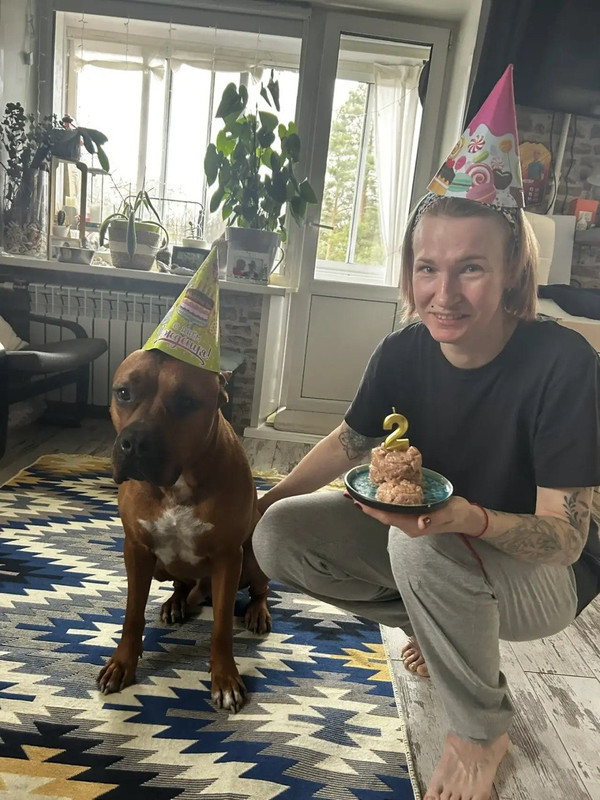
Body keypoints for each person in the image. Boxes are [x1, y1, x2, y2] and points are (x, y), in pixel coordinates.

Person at [252, 67, 600, 800]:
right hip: (440, 545)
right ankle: (446, 633)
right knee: (278, 537)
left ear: (511, 270)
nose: (444, 295)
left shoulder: (564, 362)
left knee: (419, 542)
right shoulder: (402, 352)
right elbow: (349, 443)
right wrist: (265, 500)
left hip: (547, 577)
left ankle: (481, 731)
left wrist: (468, 518)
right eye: (427, 269)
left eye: (471, 268)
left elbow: (566, 540)